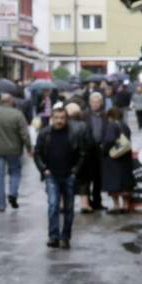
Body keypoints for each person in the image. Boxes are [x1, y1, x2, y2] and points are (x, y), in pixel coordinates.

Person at [33, 103, 89, 249]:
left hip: (69, 175)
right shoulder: (45, 133)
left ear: (67, 118)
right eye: (56, 117)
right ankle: (53, 236)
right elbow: (37, 153)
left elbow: (83, 153)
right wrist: (44, 170)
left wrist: (75, 172)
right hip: (52, 175)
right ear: (52, 118)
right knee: (53, 206)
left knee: (69, 209)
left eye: (62, 118)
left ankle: (65, 237)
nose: (59, 121)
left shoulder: (74, 133)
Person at [100, 106, 134, 213]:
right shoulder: (125, 125)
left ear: (109, 116)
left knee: (114, 182)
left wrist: (103, 149)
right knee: (125, 183)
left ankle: (116, 205)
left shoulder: (111, 125)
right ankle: (126, 206)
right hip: (125, 157)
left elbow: (110, 139)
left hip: (114, 158)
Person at [79, 92, 108, 212]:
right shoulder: (84, 115)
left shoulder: (105, 116)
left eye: (97, 102)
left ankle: (97, 201)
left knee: (98, 177)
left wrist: (105, 143)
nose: (95, 104)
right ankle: (87, 201)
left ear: (101, 103)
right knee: (87, 176)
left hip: (100, 149)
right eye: (93, 102)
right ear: (89, 103)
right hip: (88, 149)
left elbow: (108, 131)